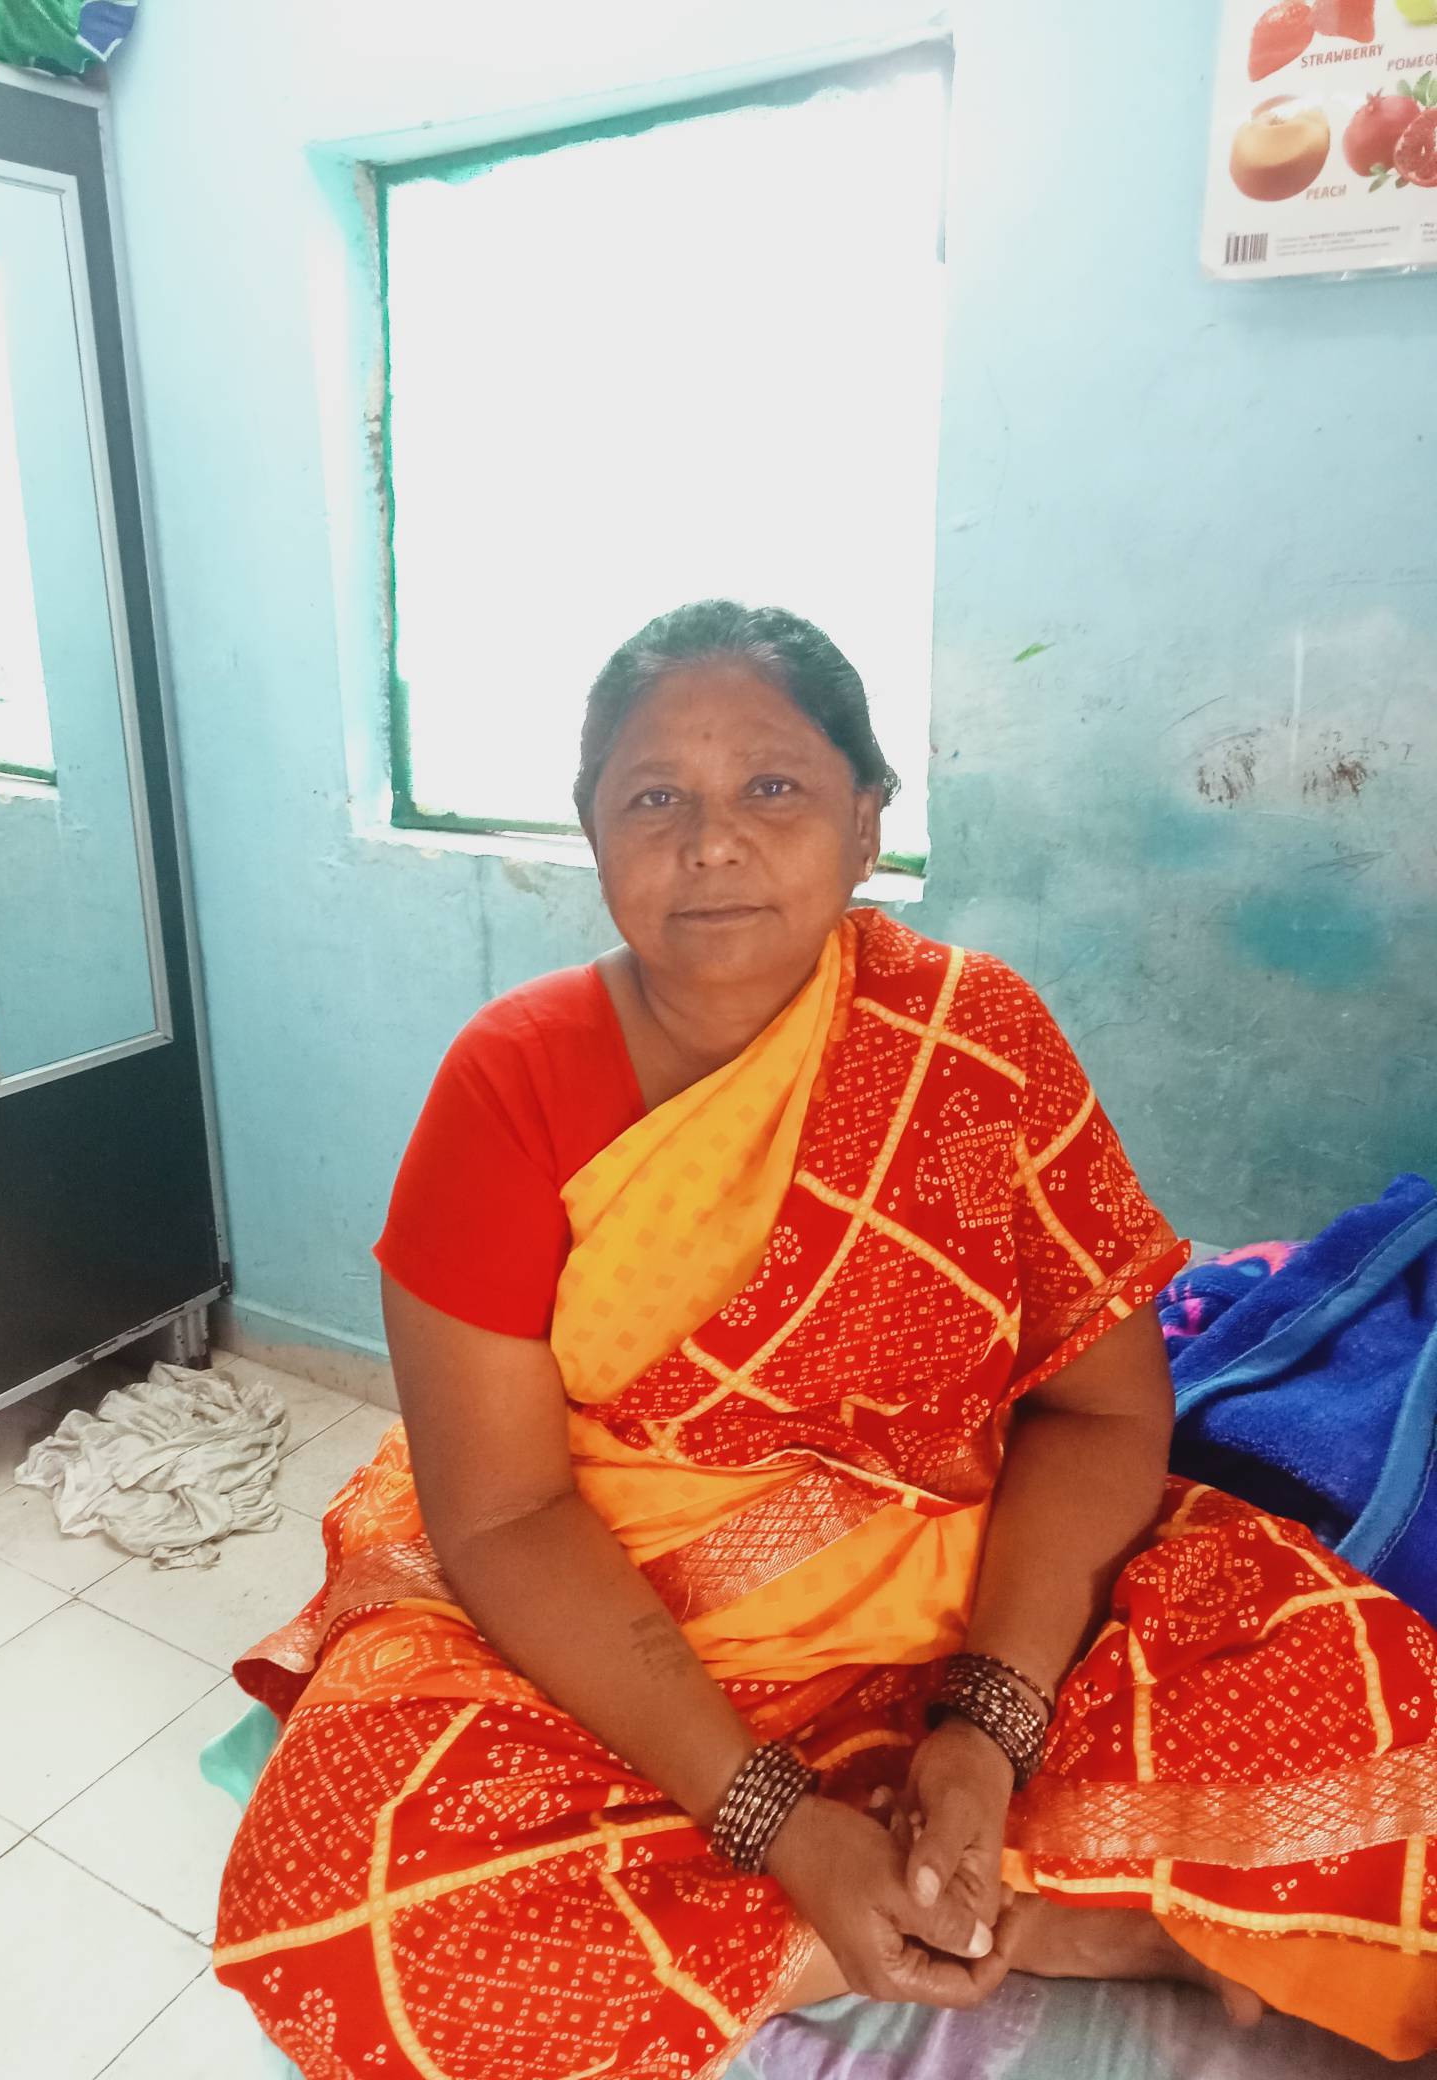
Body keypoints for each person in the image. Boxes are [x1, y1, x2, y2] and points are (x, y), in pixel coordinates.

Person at [215, 601, 1437, 2078]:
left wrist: (988, 1727)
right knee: (335, 1897)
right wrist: (781, 1828)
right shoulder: (508, 1083)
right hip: (609, 1628)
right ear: (592, 834)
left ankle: (965, 1881)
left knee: (1380, 1716)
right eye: (653, 798)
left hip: (952, 1593)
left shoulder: (975, 1039)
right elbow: (508, 1515)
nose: (711, 841)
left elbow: (1108, 1412)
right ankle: (1016, 1920)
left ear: (867, 821)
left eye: (773, 785)